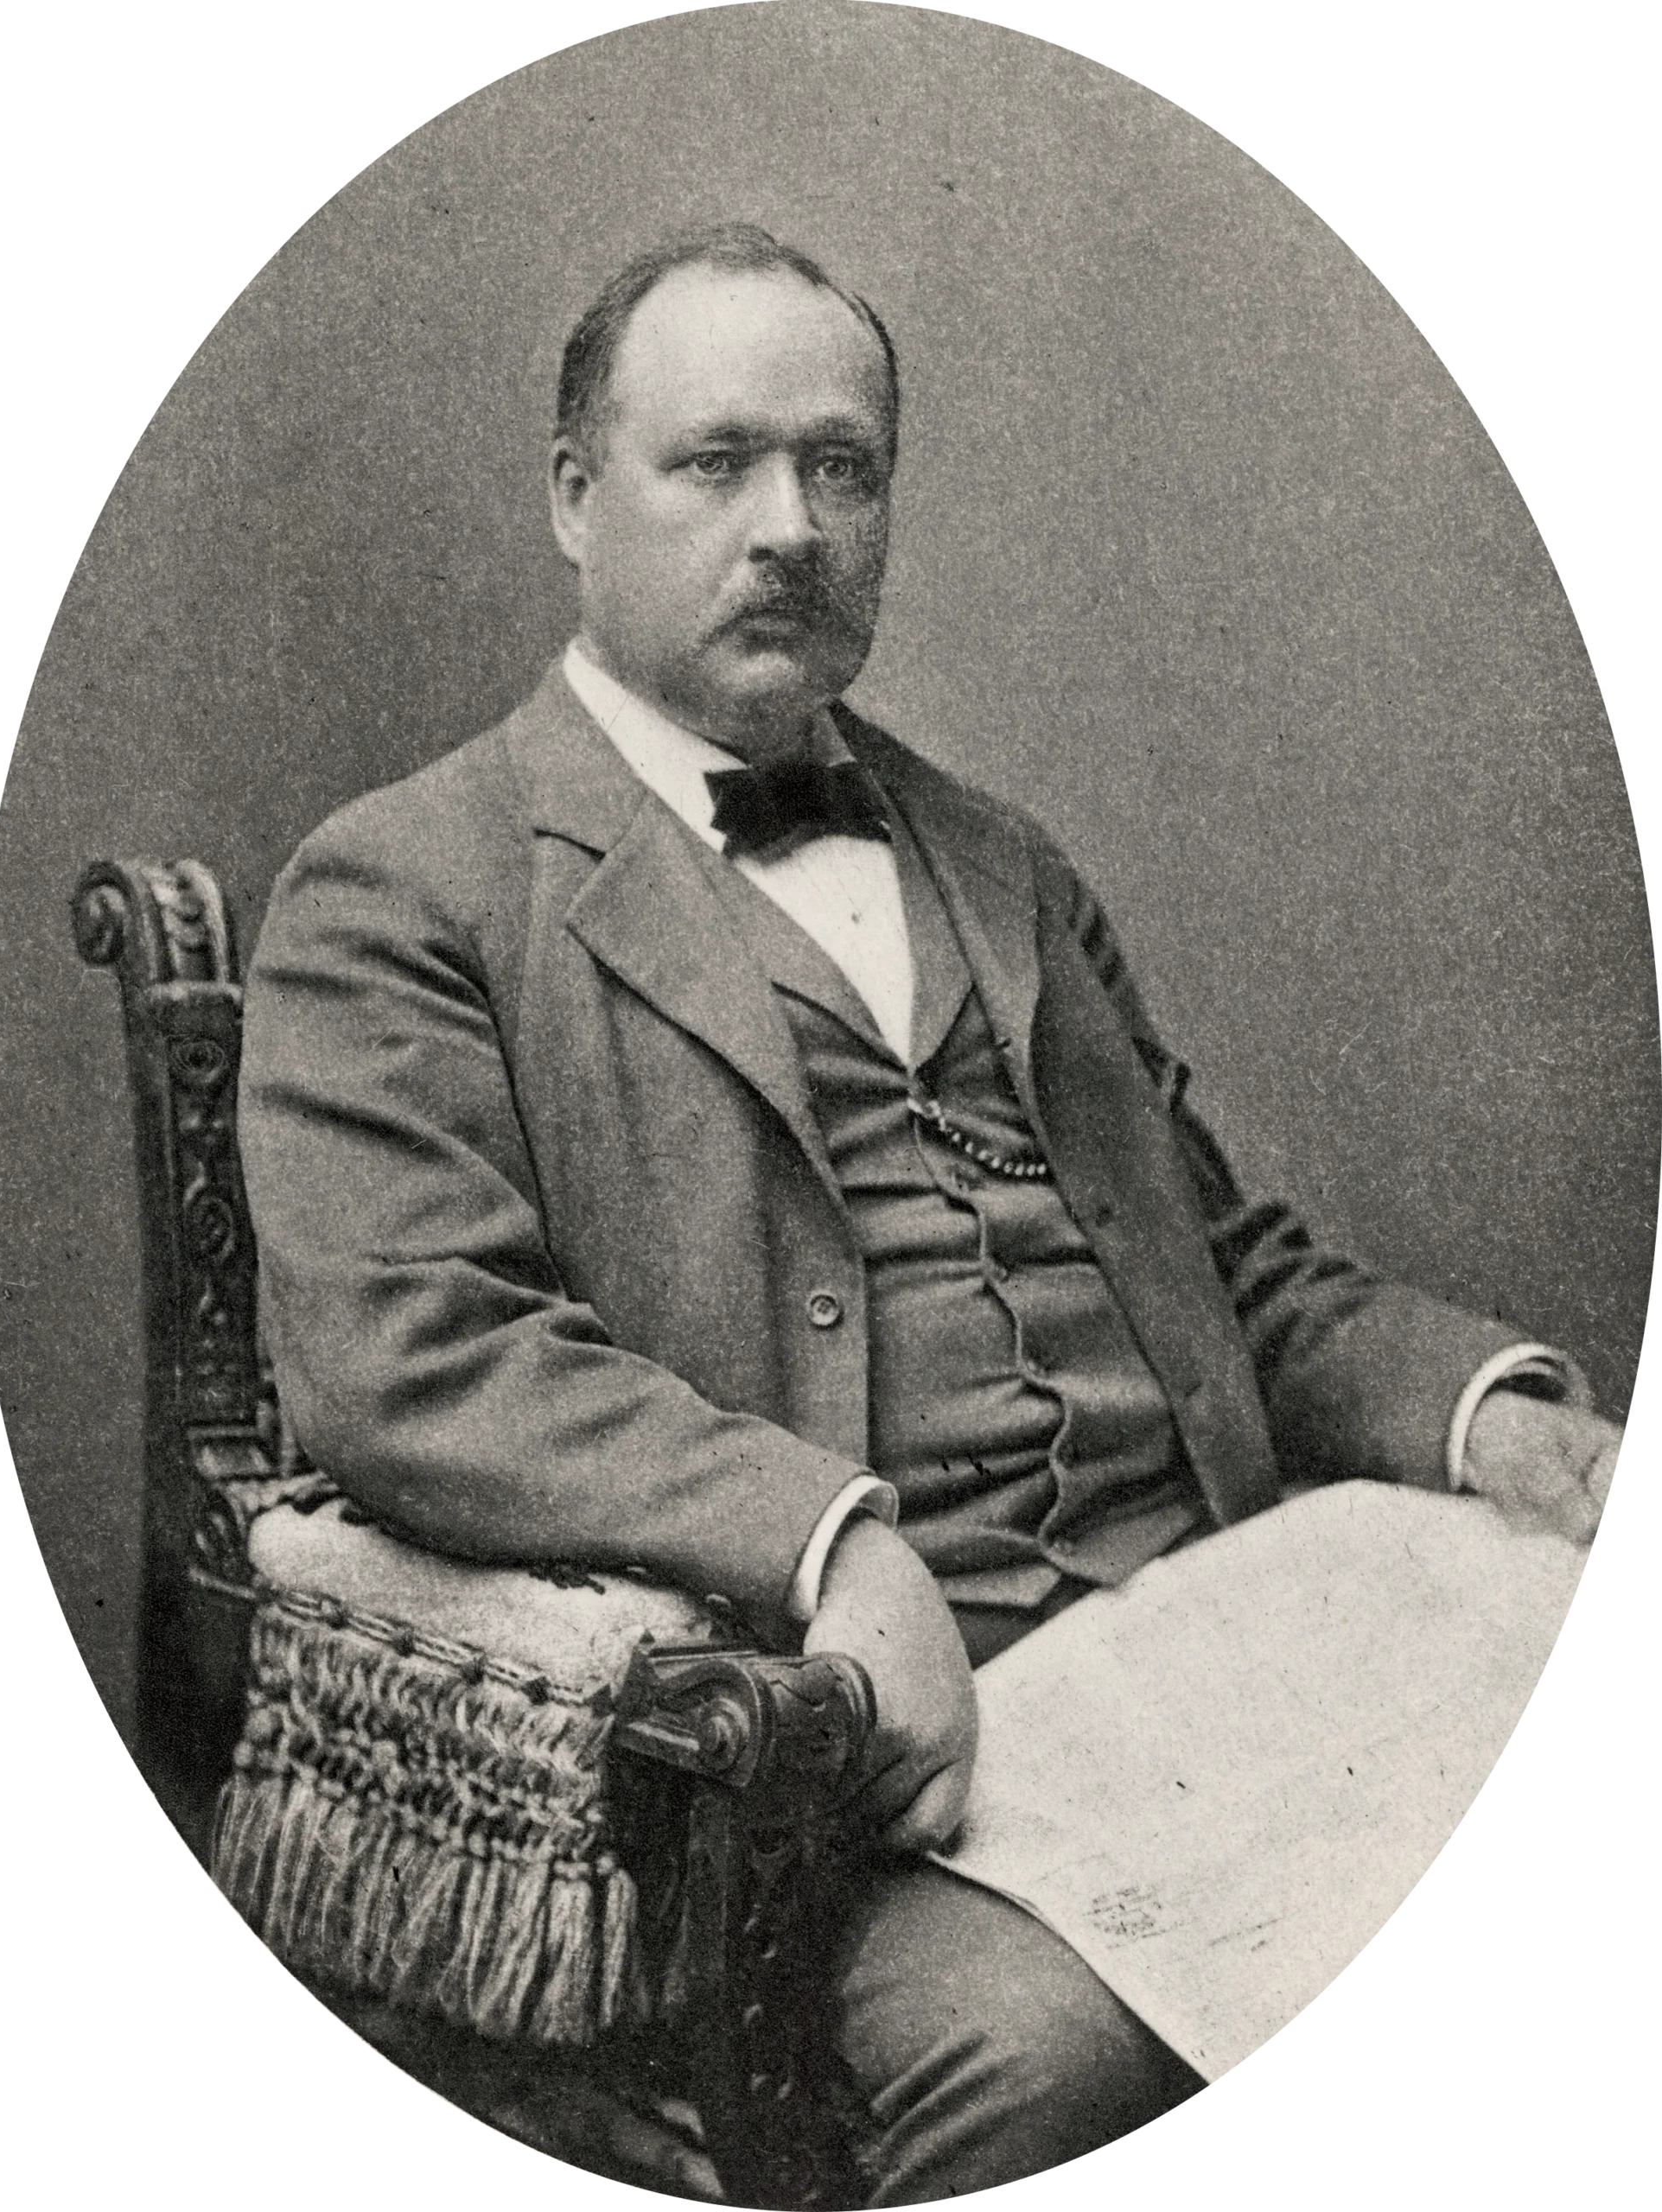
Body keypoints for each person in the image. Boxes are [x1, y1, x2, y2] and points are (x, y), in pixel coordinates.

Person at [239, 224, 1624, 2206]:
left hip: (1223, 1642)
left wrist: (1498, 1413)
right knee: (1058, 2064)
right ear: (573, 496)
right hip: (857, 1770)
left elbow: (1221, 1267)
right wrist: (828, 1539)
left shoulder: (996, 855)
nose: (790, 525)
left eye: (843, 466)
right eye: (713, 463)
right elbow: (411, 1357)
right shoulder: (406, 887)